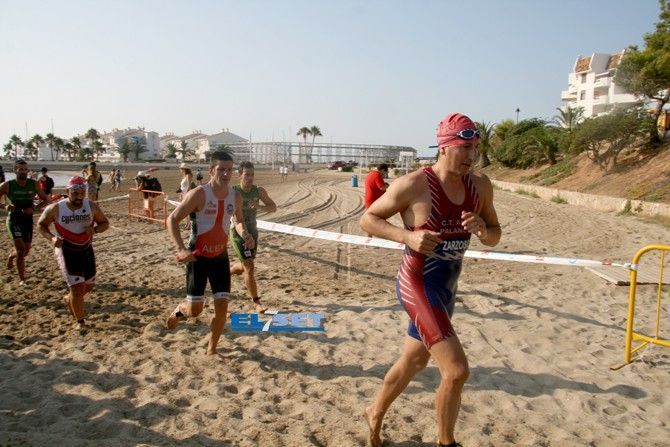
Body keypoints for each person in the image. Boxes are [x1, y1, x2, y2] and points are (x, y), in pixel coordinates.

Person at [360, 113, 501, 447]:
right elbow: (368, 219)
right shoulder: (414, 185)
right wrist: (406, 237)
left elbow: (494, 235)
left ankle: (374, 411)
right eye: (465, 148)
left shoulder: (480, 185)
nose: (472, 156)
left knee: (415, 359)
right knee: (456, 370)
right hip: (417, 284)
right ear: (444, 147)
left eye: (475, 148)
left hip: (447, 288)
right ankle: (446, 442)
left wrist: (483, 229)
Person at [165, 152, 254, 356]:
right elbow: (172, 219)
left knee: (222, 307)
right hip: (198, 258)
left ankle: (212, 349)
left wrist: (245, 234)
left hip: (220, 258)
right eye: (221, 169)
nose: (226, 174)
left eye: (229, 170)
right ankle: (179, 311)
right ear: (211, 170)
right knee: (195, 310)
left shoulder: (235, 196)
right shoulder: (199, 194)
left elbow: (238, 221)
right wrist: (181, 248)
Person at [37, 176, 109, 329]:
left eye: (82, 193)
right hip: (66, 250)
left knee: (87, 287)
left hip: (86, 249)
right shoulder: (56, 208)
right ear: (67, 191)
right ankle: (80, 323)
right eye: (75, 193)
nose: (79, 197)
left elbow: (105, 223)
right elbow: (41, 225)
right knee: (77, 289)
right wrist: (51, 238)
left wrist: (95, 230)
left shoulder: (91, 206)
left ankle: (68, 298)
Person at [230, 162, 277, 313]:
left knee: (246, 265)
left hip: (253, 231)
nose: (250, 178)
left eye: (252, 175)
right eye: (246, 175)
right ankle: (256, 302)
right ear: (239, 175)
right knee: (249, 266)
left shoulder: (258, 191)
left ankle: (231, 270)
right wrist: (245, 234)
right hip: (239, 232)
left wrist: (258, 206)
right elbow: (235, 219)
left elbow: (273, 207)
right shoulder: (234, 192)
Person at [0, 159, 50, 285]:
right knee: (21, 249)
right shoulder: (7, 185)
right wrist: (5, 206)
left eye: (25, 169)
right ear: (15, 170)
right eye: (20, 169)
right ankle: (22, 279)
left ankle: (11, 256)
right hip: (14, 220)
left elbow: (46, 199)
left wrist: (35, 208)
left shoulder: (34, 184)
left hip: (27, 220)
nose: (23, 172)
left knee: (26, 250)